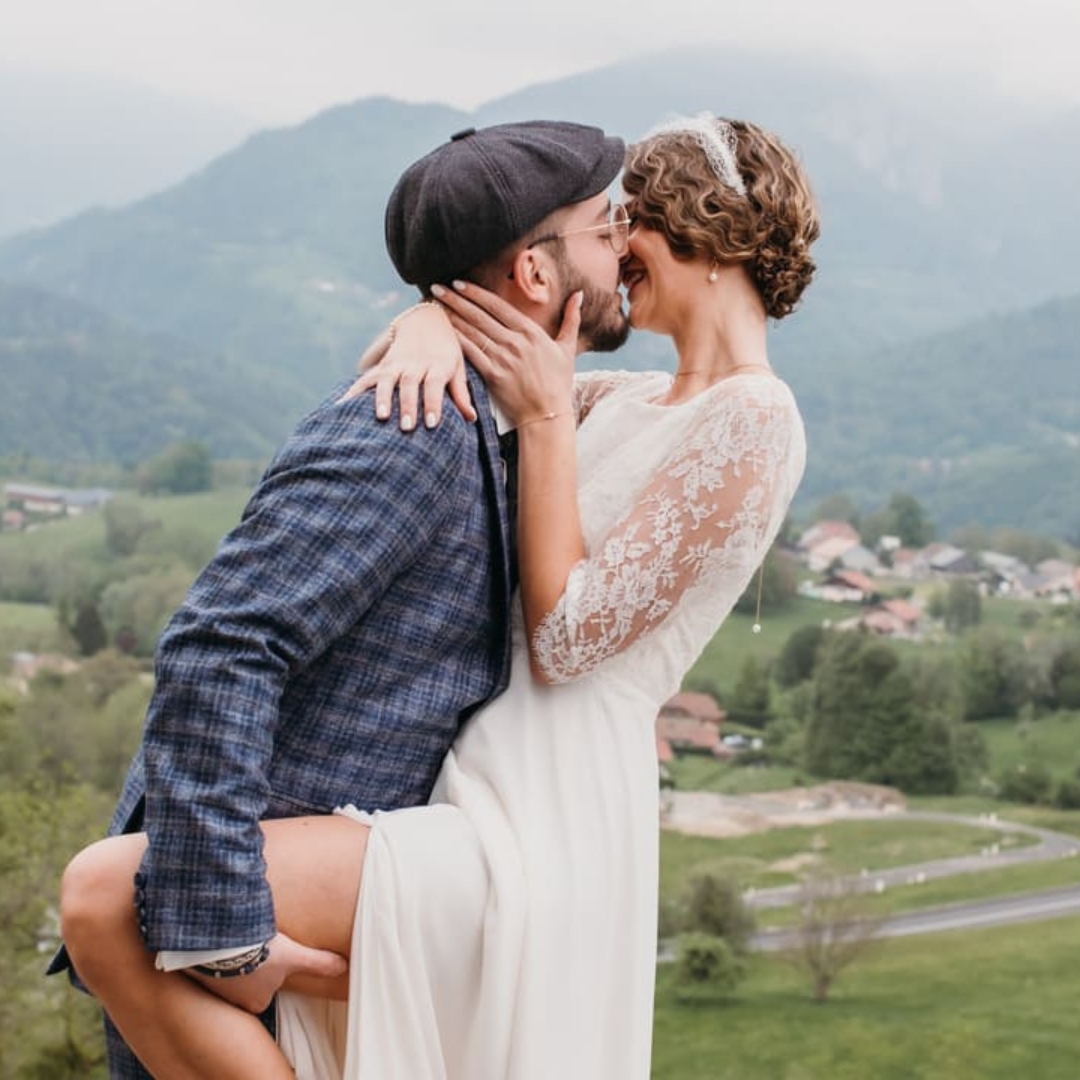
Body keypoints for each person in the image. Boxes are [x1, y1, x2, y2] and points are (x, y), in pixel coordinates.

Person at [63, 113, 817, 1080]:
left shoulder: (754, 414)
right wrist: (429, 312)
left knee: (116, 898)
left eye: (638, 221)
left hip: (553, 795)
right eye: (610, 223)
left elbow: (570, 641)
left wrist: (546, 417)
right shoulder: (618, 397)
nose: (621, 246)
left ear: (707, 240)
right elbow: (499, 345)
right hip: (465, 769)